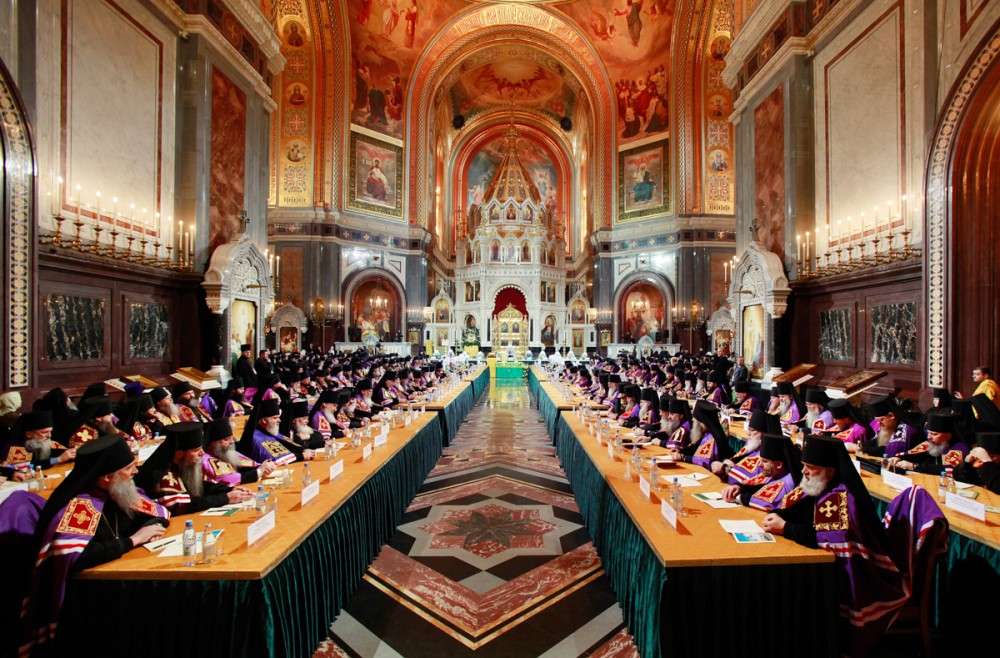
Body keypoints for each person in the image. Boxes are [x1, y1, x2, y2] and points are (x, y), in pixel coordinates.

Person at [17, 435, 170, 654]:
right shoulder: (82, 506)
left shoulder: (117, 492)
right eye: (129, 468)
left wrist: (151, 529)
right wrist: (133, 540)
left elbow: (159, 511)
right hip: (86, 601)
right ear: (108, 476)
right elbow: (75, 556)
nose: (136, 472)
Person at [763, 434, 906, 657]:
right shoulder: (819, 482)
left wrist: (786, 528)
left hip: (857, 578)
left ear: (829, 470)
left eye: (810, 467)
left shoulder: (840, 496)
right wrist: (779, 515)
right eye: (803, 466)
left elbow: (832, 539)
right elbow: (792, 507)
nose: (804, 472)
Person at [136, 422, 254, 515]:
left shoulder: (185, 464)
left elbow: (202, 484)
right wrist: (225, 498)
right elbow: (181, 505)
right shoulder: (163, 474)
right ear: (179, 454)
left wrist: (229, 490)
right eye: (196, 450)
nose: (202, 453)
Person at [721, 432, 802, 511]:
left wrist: (738, 498)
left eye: (765, 461)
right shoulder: (777, 472)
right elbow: (760, 487)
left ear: (778, 464)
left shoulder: (787, 482)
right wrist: (740, 487)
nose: (759, 464)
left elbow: (765, 502)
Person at [885, 412, 969, 473]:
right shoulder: (931, 443)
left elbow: (947, 470)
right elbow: (913, 454)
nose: (928, 437)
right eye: (928, 433)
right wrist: (900, 458)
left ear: (948, 435)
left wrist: (914, 466)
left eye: (934, 434)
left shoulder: (959, 449)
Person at [201, 417, 275, 486]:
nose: (232, 442)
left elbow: (251, 465)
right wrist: (260, 471)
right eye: (226, 439)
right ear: (213, 444)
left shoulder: (227, 451)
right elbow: (229, 479)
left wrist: (265, 466)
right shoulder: (206, 460)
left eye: (232, 438)